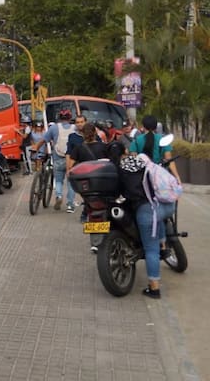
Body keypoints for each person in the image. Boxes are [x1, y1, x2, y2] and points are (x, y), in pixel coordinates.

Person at [118, 153, 176, 299]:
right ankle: (163, 246)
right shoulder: (149, 169)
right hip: (165, 206)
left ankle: (154, 289)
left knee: (151, 250)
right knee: (159, 220)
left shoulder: (124, 174)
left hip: (146, 212)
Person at [67, 123, 108, 224]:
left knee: (88, 198)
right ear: (95, 133)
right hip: (101, 179)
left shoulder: (78, 148)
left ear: (82, 134)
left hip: (85, 181)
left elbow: (70, 166)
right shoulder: (104, 147)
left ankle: (85, 214)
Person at [130, 115, 182, 183]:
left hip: (142, 176)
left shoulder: (137, 140)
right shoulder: (163, 139)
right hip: (159, 176)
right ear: (156, 127)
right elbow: (169, 161)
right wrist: (177, 177)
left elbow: (134, 159)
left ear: (143, 126)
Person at [44, 109, 77, 212]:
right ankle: (70, 205)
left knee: (58, 180)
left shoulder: (54, 128)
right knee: (71, 183)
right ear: (70, 118)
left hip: (58, 157)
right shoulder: (75, 128)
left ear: (59, 118)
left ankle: (58, 195)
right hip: (72, 159)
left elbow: (45, 139)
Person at [62, 115, 88, 213]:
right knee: (71, 184)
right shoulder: (72, 136)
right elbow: (68, 153)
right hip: (75, 165)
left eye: (81, 122)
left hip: (89, 166)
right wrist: (68, 168)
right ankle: (70, 204)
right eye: (77, 122)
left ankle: (87, 207)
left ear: (86, 122)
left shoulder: (93, 135)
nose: (79, 124)